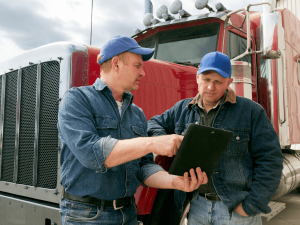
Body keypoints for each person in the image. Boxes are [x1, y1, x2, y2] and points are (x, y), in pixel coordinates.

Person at [57, 35, 208, 225]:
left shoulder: (136, 113)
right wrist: (153, 143)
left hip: (128, 213)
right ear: (116, 64)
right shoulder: (77, 100)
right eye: (138, 65)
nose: (143, 72)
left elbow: (143, 168)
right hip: (87, 216)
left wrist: (174, 182)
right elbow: (92, 153)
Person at [147, 52, 283, 225]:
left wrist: (252, 205)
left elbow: (271, 160)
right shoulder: (181, 109)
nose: (211, 86)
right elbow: (153, 124)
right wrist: (168, 141)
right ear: (197, 78)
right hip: (196, 207)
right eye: (206, 79)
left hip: (235, 211)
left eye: (218, 81)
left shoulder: (251, 112)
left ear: (229, 82)